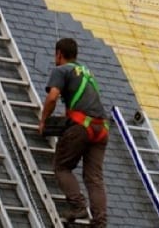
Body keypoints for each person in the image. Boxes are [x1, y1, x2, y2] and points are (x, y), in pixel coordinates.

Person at [38, 38, 109, 227]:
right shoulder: (87, 73)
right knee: (94, 178)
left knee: (62, 167)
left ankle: (78, 207)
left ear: (59, 54)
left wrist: (44, 119)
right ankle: (100, 223)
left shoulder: (61, 70)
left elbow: (52, 97)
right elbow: (85, 102)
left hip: (81, 127)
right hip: (101, 129)